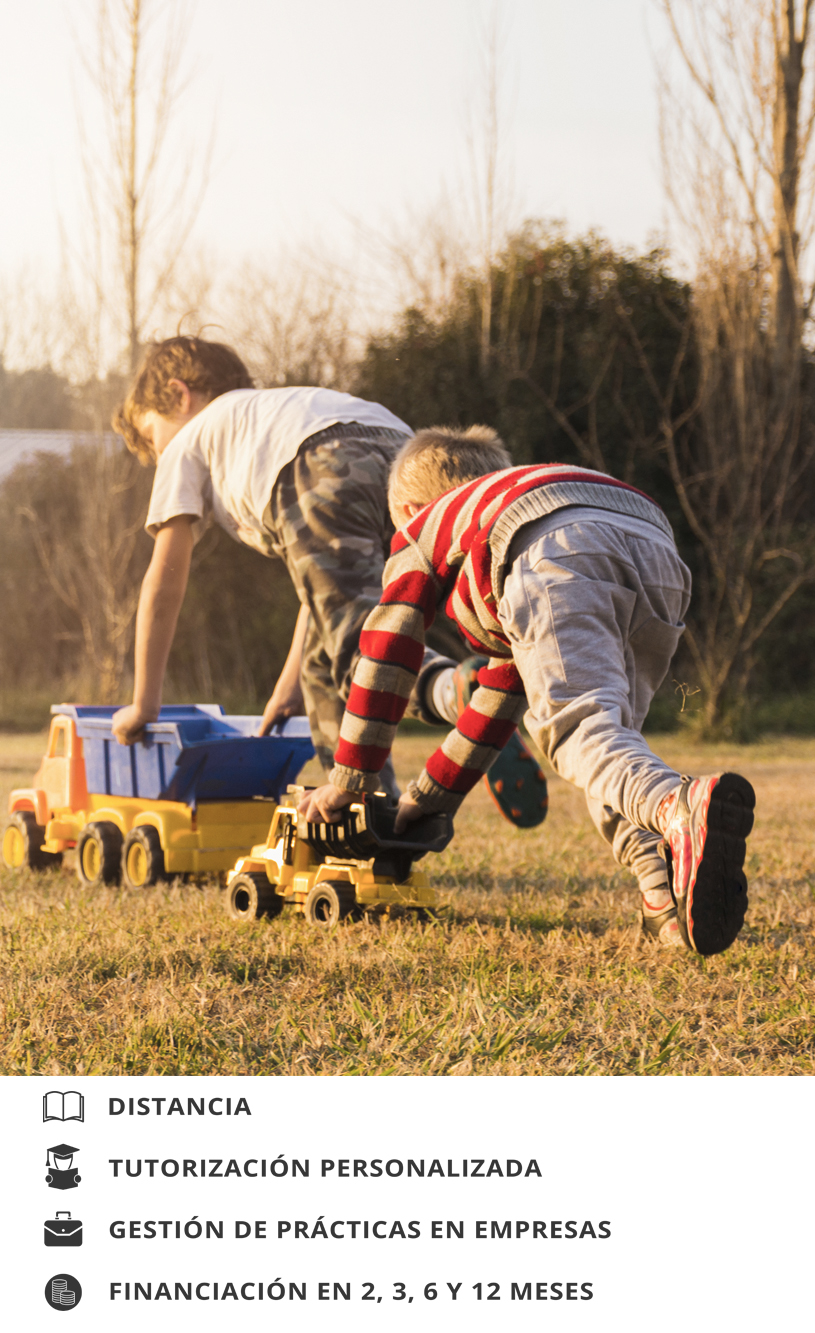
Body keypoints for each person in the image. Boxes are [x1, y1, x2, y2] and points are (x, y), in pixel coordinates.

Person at [298, 426, 756, 955]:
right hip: (656, 546)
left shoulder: (428, 523)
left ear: (407, 509)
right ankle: (663, 898)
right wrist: (424, 804)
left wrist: (349, 780)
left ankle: (676, 804)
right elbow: (495, 703)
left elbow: (385, 650)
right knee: (608, 743)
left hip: (559, 550)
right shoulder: (502, 507)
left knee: (578, 731)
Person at [108, 336, 542, 818]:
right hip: (405, 455)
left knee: (366, 656)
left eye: (153, 438)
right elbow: (323, 591)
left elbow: (164, 581)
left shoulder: (192, 437)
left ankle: (454, 693)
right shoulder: (272, 413)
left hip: (322, 461)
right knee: (327, 664)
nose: (160, 454)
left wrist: (144, 705)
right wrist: (288, 685)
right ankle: (368, 817)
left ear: (179, 395)